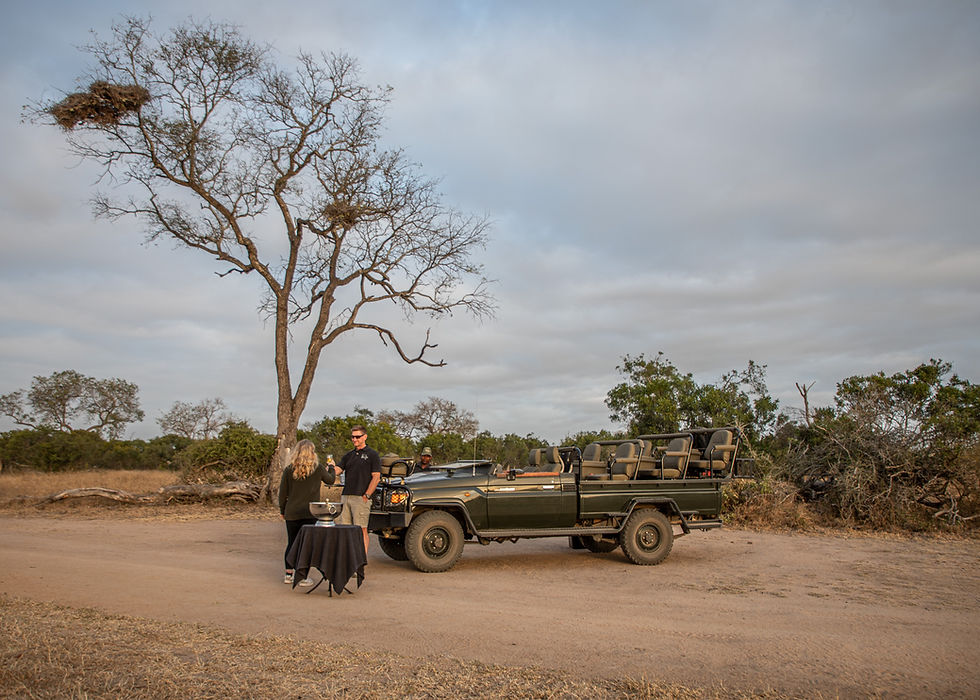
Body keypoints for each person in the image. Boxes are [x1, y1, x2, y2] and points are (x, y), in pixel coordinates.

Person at [278, 439, 335, 585]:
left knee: (292, 543)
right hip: (310, 513)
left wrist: (282, 510)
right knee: (306, 545)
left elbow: (282, 494)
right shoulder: (318, 468)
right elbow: (330, 480)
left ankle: (288, 574)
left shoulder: (289, 469)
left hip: (292, 512)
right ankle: (303, 576)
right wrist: (332, 467)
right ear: (312, 452)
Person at [332, 425, 381, 557]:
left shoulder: (372, 455)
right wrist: (330, 468)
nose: (354, 439)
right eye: (353, 437)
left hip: (361, 498)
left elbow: (376, 477)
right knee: (345, 529)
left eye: (357, 437)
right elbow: (338, 470)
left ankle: (360, 560)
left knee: (361, 529)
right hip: (346, 496)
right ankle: (348, 559)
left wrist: (367, 495)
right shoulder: (349, 455)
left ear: (365, 437)